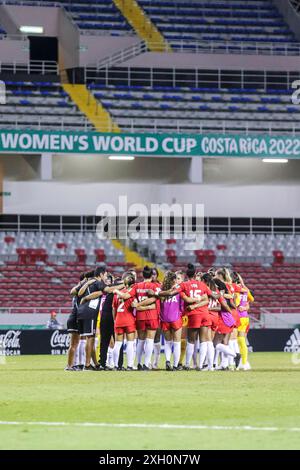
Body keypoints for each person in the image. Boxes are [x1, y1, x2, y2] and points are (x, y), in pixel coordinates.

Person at [159, 271, 184, 371]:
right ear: (174, 279)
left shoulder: (161, 289)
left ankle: (168, 361)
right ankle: (175, 365)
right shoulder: (179, 289)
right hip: (176, 318)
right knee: (177, 343)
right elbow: (182, 305)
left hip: (164, 318)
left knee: (168, 342)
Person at [112, 273, 137, 371]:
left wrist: (115, 319)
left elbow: (113, 308)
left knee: (118, 344)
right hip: (129, 320)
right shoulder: (132, 293)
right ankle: (130, 365)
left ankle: (115, 365)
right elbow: (133, 305)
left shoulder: (117, 294)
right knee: (130, 343)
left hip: (118, 319)